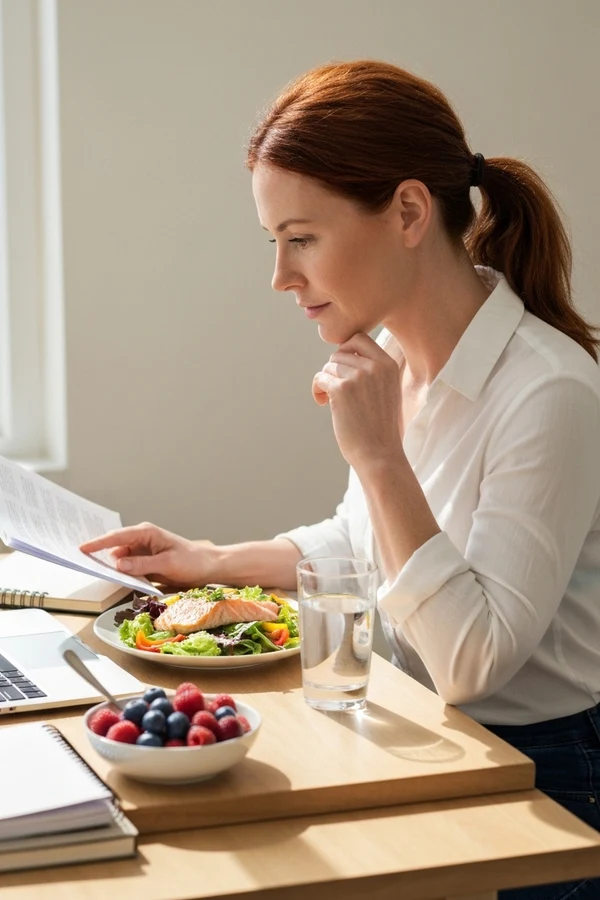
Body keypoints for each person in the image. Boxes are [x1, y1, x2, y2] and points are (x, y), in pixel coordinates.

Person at [81, 60, 600, 899]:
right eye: (274, 242)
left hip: (544, 779)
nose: (281, 277)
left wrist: (380, 456)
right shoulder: (393, 358)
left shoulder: (551, 390)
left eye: (302, 238)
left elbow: (472, 662)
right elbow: (362, 546)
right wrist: (208, 562)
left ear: (406, 212)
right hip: (416, 728)